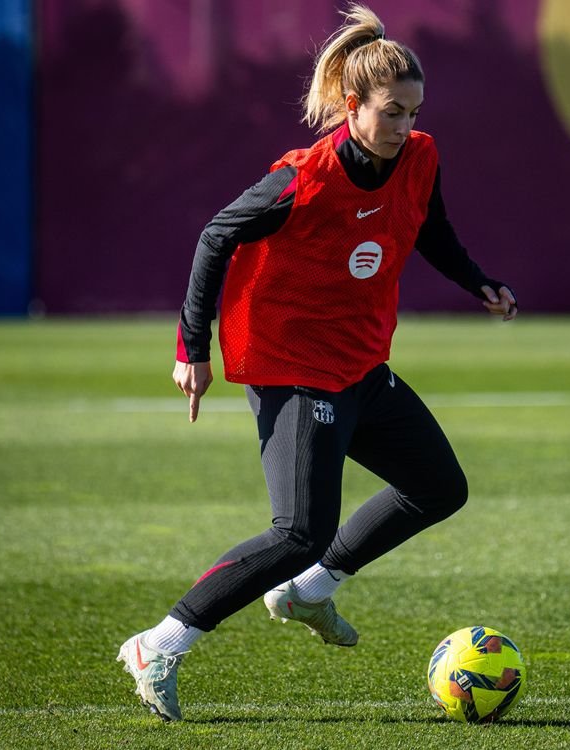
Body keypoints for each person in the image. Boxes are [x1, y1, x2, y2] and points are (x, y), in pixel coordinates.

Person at [117, 4, 517, 722]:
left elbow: (428, 227)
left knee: (438, 486)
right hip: (292, 366)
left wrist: (477, 281)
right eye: (391, 113)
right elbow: (215, 236)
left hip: (360, 362)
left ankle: (310, 591)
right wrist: (192, 350)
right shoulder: (304, 179)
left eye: (413, 113)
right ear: (351, 105)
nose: (404, 127)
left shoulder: (419, 156)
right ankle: (159, 643)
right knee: (299, 531)